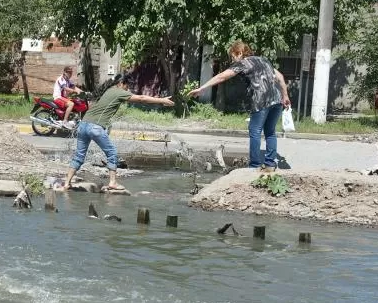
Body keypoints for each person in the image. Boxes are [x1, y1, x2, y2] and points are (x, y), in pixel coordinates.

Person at [57, 74, 174, 191]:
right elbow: (141, 98)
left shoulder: (105, 90)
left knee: (79, 156)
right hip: (95, 127)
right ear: (121, 83)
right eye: (127, 87)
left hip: (83, 125)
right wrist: (161, 100)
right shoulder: (118, 91)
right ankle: (112, 182)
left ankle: (67, 183)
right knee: (112, 152)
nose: (127, 90)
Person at [188, 41, 290, 171]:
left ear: (240, 53)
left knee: (255, 131)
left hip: (261, 101)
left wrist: (202, 88)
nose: (233, 60)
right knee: (270, 132)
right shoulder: (264, 60)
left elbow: (221, 77)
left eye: (233, 56)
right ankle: (270, 164)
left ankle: (254, 166)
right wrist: (285, 96)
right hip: (276, 99)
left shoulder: (243, 63)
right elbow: (280, 77)